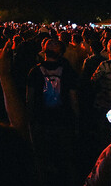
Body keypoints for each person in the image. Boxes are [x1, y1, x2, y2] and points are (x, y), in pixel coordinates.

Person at [26, 38, 80, 186]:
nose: (51, 44)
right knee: (65, 159)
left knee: (42, 159)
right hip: (62, 120)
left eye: (54, 43)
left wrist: (30, 120)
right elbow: (73, 99)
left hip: (42, 120)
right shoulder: (67, 71)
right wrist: (76, 119)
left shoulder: (35, 71)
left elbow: (29, 99)